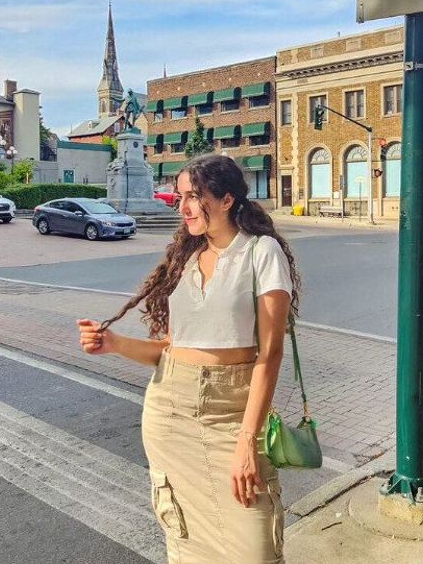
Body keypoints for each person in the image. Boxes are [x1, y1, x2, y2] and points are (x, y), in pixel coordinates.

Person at [78, 153, 301, 563]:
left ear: (226, 199)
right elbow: (170, 350)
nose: (181, 207)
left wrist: (246, 441)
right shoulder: (185, 258)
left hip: (231, 411)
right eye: (180, 196)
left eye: (192, 197)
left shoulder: (260, 252)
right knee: (185, 540)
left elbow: (269, 355)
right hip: (169, 411)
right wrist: (113, 342)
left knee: (257, 548)